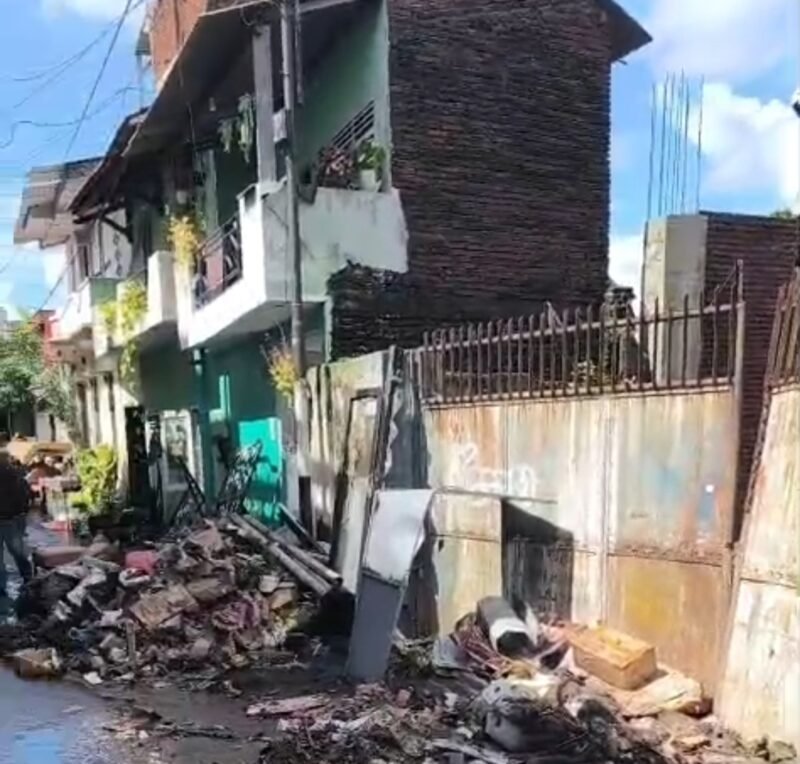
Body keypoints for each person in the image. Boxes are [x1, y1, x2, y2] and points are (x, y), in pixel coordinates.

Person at [0, 449, 32, 600]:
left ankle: (1, 589)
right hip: (10, 518)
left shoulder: (13, 474)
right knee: (17, 551)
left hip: (9, 517)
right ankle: (28, 578)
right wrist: (22, 512)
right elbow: (24, 493)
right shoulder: (14, 473)